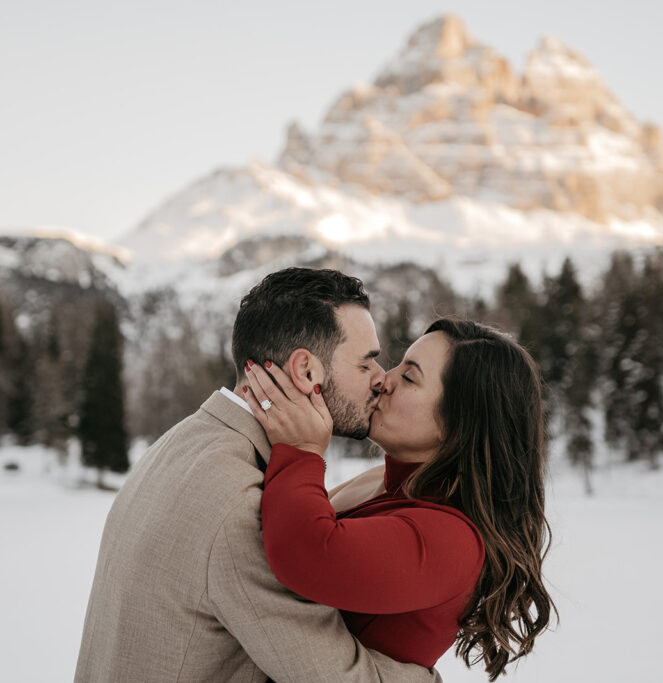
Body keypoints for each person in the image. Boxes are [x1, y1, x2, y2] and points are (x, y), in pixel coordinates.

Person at [74, 268, 441, 682]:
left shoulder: (185, 441)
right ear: (306, 372)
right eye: (365, 363)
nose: (381, 378)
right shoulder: (244, 508)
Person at [242, 318, 555, 680]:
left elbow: (307, 554)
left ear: (457, 423)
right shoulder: (385, 482)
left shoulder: (453, 542)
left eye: (409, 377)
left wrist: (301, 450)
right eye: (398, 365)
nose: (382, 379)